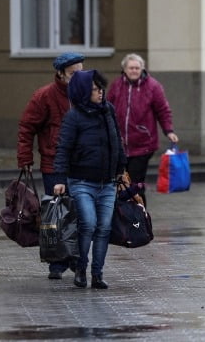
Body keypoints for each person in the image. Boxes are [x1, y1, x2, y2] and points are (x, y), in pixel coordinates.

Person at [53, 70, 126, 289]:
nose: (100, 92)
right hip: (82, 181)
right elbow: (63, 148)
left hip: (108, 181)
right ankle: (81, 269)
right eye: (94, 89)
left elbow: (117, 141)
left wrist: (122, 168)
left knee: (103, 228)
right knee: (89, 224)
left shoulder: (108, 111)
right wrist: (59, 179)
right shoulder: (74, 117)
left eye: (100, 87)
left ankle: (97, 274)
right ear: (83, 92)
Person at [17, 52, 85, 280]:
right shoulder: (44, 96)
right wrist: (25, 158)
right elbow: (27, 127)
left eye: (80, 71)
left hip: (82, 165)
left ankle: (77, 261)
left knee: (80, 214)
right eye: (73, 73)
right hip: (53, 164)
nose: (78, 77)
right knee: (56, 216)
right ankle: (57, 263)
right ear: (61, 73)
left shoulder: (87, 94)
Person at [106, 53, 178, 206]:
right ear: (124, 69)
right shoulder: (117, 85)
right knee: (121, 182)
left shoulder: (153, 86)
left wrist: (169, 130)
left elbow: (163, 110)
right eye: (131, 68)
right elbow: (107, 109)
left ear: (142, 69)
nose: (134, 71)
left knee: (135, 183)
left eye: (137, 68)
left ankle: (139, 216)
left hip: (143, 144)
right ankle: (124, 214)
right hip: (120, 144)